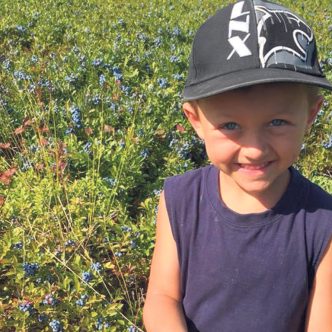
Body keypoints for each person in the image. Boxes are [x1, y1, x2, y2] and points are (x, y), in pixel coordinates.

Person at [143, 0, 332, 331]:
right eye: (230, 126)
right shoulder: (179, 200)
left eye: (277, 121)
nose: (254, 150)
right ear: (195, 120)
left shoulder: (323, 223)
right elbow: (162, 298)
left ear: (311, 115)